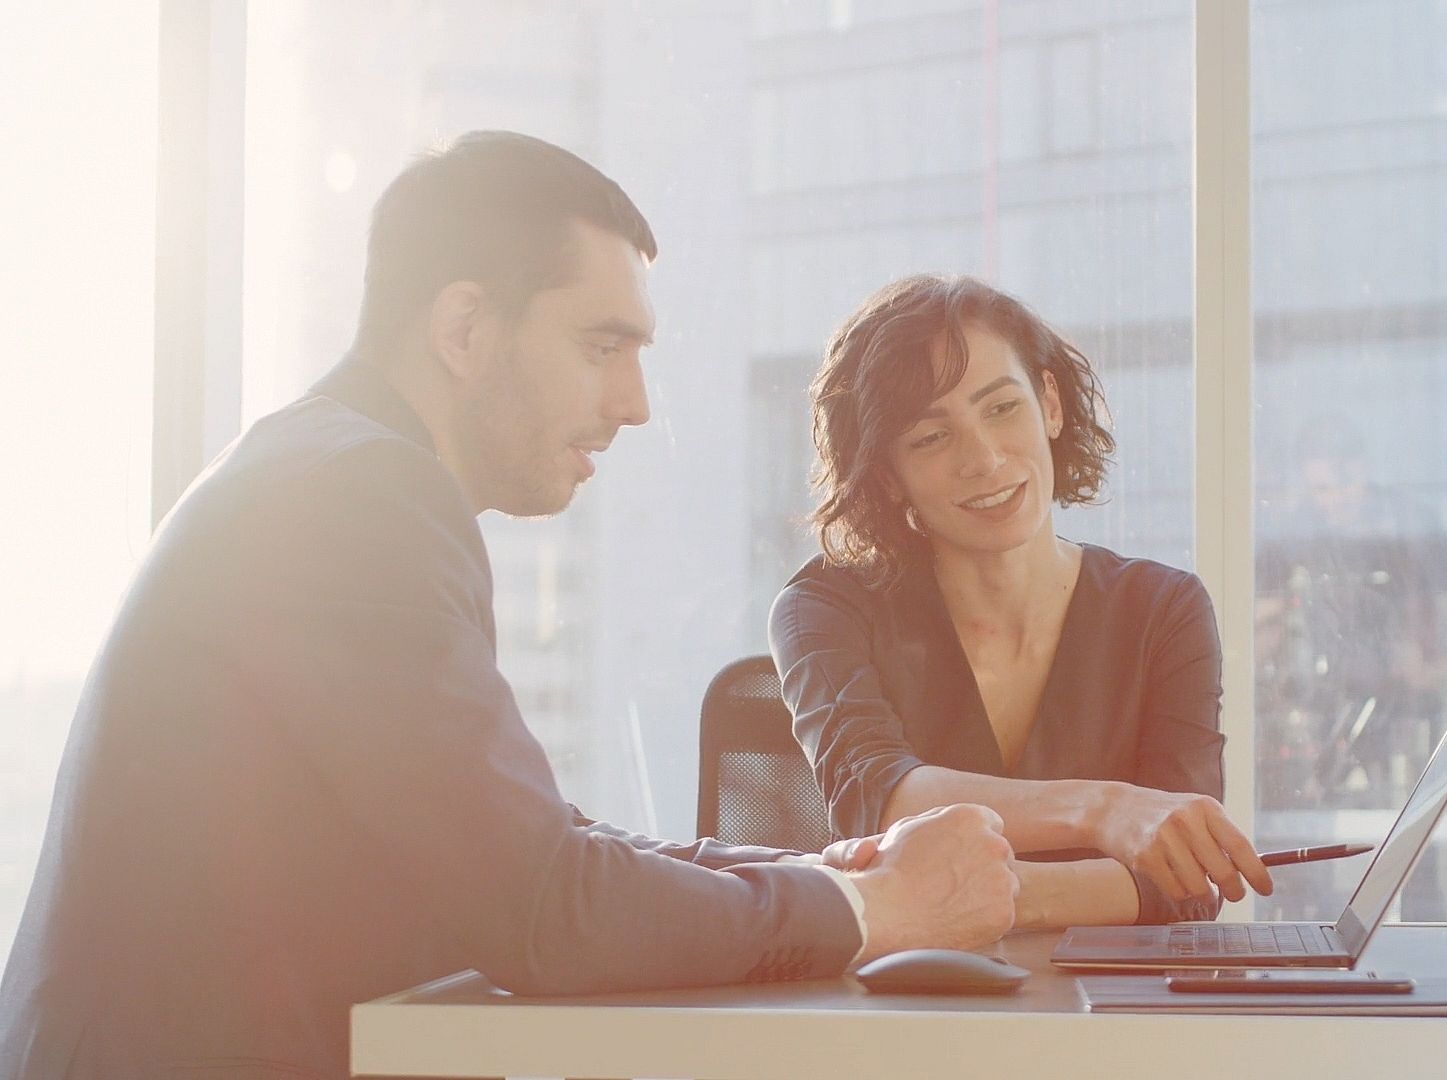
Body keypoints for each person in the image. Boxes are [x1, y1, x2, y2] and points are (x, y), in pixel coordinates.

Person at [0, 132, 1018, 1079]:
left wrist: (816, 867)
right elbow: (544, 907)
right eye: (601, 346)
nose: (635, 403)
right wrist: (870, 909)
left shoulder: (330, 471)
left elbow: (529, 844)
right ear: (465, 328)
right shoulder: (356, 500)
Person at [769, 274, 1272, 928]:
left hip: (1103, 1020)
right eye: (930, 437)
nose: (982, 459)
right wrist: (1107, 813)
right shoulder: (826, 607)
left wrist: (951, 898)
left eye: (1002, 408)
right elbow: (882, 798)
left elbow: (1183, 877)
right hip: (894, 1009)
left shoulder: (1161, 610)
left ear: (1051, 405)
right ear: (888, 475)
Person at [1255, 412, 1447, 805]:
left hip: (1409, 735)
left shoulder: (1417, 530)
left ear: (1363, 468)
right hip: (1317, 736)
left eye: (1342, 485)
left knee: (1411, 855)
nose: (1332, 501)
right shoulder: (1290, 537)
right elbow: (1262, 633)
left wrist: (1427, 674)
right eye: (1320, 490)